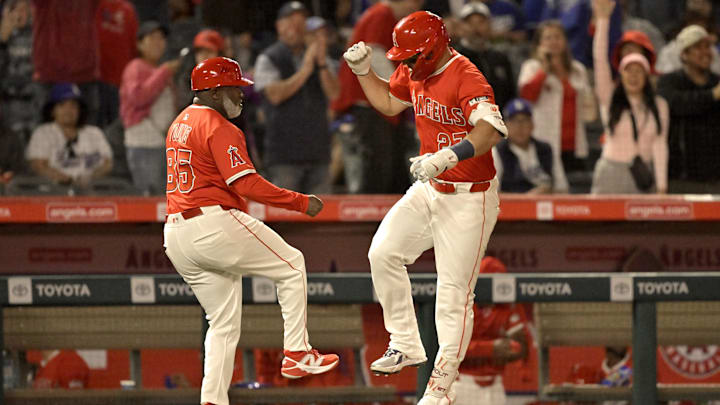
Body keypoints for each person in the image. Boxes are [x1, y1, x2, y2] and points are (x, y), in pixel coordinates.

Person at [343, 11, 507, 404]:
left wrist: (451, 154)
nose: (408, 64)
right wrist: (365, 71)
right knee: (382, 252)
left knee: (453, 296)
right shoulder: (415, 67)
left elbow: (490, 131)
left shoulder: (467, 75)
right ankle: (405, 342)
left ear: (433, 49)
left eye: (413, 57)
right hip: (430, 187)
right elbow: (387, 102)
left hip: (471, 196)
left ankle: (440, 389)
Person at [163, 57, 338, 405]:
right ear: (213, 91)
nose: (240, 95)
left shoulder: (178, 122)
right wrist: (300, 202)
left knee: (223, 325)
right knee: (292, 264)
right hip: (212, 223)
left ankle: (212, 400)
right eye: (233, 88)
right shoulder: (218, 125)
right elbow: (246, 184)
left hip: (177, 235)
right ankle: (297, 353)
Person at [331, 0, 422, 194]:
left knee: (393, 162)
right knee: (377, 164)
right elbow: (376, 55)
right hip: (368, 100)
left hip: (378, 99)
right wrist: (404, 90)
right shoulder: (381, 15)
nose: (414, 8)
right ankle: (370, 217)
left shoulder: (382, 15)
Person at [253, 1, 340, 194]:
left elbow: (334, 93)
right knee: (285, 216)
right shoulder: (269, 58)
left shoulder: (320, 58)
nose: (296, 29)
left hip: (318, 152)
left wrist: (321, 62)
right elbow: (275, 95)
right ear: (279, 27)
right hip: (284, 154)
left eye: (301, 24)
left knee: (322, 215)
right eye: (290, 23)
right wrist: (306, 69)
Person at [591, 0, 668, 194]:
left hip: (643, 174)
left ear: (647, 76)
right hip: (611, 173)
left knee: (646, 226)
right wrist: (602, 20)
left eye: (639, 71)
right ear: (620, 75)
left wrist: (662, 187)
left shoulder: (660, 106)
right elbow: (600, 60)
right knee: (600, 225)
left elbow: (660, 145)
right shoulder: (609, 99)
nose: (633, 76)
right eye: (628, 71)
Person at [518, 20, 595, 193]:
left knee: (575, 199)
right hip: (544, 143)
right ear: (539, 43)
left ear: (565, 41)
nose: (553, 41)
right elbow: (526, 98)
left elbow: (588, 108)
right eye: (548, 38)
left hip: (573, 144)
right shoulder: (532, 67)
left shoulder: (578, 70)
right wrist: (544, 70)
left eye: (557, 37)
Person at [454, 257, 530, 405]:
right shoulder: (461, 304)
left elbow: (522, 347)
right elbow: (453, 349)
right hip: (462, 383)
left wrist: (512, 347)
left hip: (496, 386)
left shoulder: (507, 305)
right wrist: (492, 348)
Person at [657, 25, 720, 194]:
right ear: (684, 54)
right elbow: (676, 104)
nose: (705, 52)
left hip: (715, 178)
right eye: (698, 47)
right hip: (680, 177)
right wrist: (712, 95)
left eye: (707, 47)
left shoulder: (717, 81)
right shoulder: (669, 82)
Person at [119, 21, 179, 195]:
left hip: (162, 141)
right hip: (143, 141)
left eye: (161, 38)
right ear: (139, 44)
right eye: (152, 38)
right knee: (150, 198)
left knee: (166, 198)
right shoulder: (135, 67)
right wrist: (164, 72)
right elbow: (138, 97)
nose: (158, 42)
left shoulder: (159, 68)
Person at [25, 83, 112, 188]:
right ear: (52, 110)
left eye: (73, 105)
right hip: (52, 193)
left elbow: (107, 164)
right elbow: (38, 165)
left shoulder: (94, 133)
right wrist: (68, 181)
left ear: (80, 110)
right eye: (62, 105)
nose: (68, 110)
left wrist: (89, 178)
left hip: (91, 191)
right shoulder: (42, 133)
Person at [454, 2, 516, 115]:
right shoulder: (453, 58)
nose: (476, 28)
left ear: (489, 24)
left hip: (499, 125)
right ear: (461, 27)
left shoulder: (500, 58)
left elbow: (510, 94)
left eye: (481, 22)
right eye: (470, 23)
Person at [492, 98, 554, 194]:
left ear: (532, 124)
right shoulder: (497, 152)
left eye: (524, 121)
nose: (519, 127)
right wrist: (526, 199)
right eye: (514, 121)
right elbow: (492, 195)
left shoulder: (546, 150)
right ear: (505, 126)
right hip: (512, 207)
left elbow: (562, 188)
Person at [96, 0, 139, 128]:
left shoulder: (127, 10)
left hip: (120, 82)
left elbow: (134, 47)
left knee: (117, 129)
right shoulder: (94, 5)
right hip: (95, 79)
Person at [0, 0, 37, 141]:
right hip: (10, 103)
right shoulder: (3, 32)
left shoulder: (40, 33)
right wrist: (2, 41)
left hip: (36, 100)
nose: (21, 14)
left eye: (26, 9)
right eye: (16, 9)